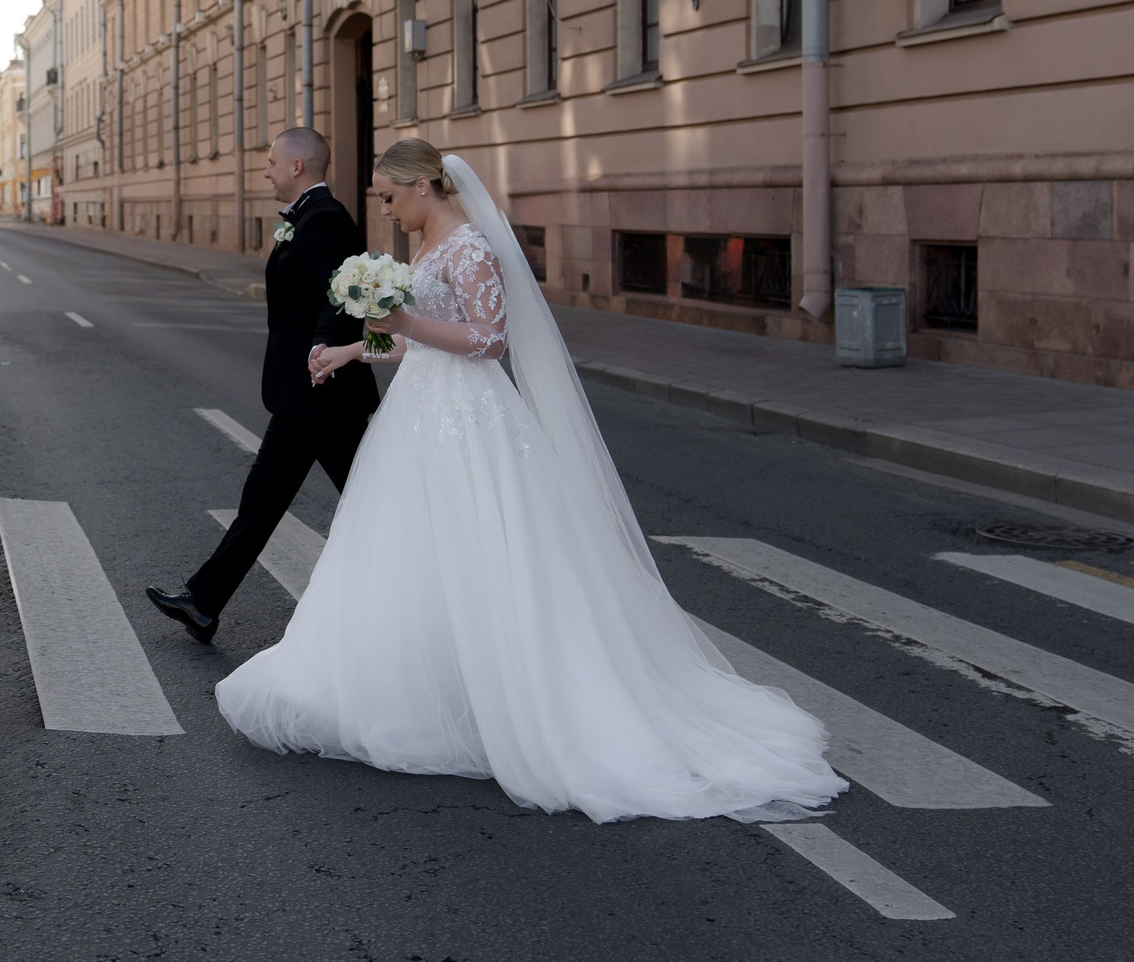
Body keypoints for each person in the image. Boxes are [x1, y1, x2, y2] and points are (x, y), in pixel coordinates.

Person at [212, 139, 846, 824]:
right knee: (414, 558)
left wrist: (405, 321)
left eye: (391, 196)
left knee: (491, 556)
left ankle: (513, 696)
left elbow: (489, 339)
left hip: (471, 420)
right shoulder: (427, 249)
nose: (386, 211)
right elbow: (415, 340)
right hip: (420, 415)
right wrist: (348, 348)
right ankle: (421, 688)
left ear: (425, 185)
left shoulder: (473, 247)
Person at [147, 128, 376, 646]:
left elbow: (338, 297)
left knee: (371, 499)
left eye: (272, 162)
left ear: (297, 167)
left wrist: (322, 350)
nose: (265, 170)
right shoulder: (309, 218)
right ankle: (203, 603)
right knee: (261, 502)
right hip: (302, 397)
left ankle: (428, 594)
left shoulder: (324, 221)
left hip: (325, 396)